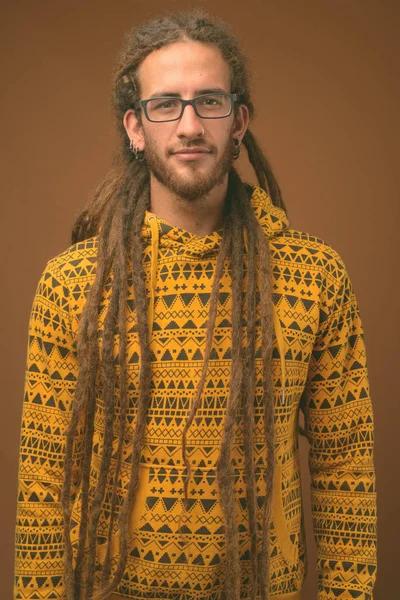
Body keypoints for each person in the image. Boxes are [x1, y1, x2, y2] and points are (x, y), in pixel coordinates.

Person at [13, 9, 377, 600]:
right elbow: (44, 478)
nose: (188, 125)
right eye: (166, 104)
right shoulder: (72, 284)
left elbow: (345, 468)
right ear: (136, 128)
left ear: (239, 122)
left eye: (210, 101)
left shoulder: (314, 275)